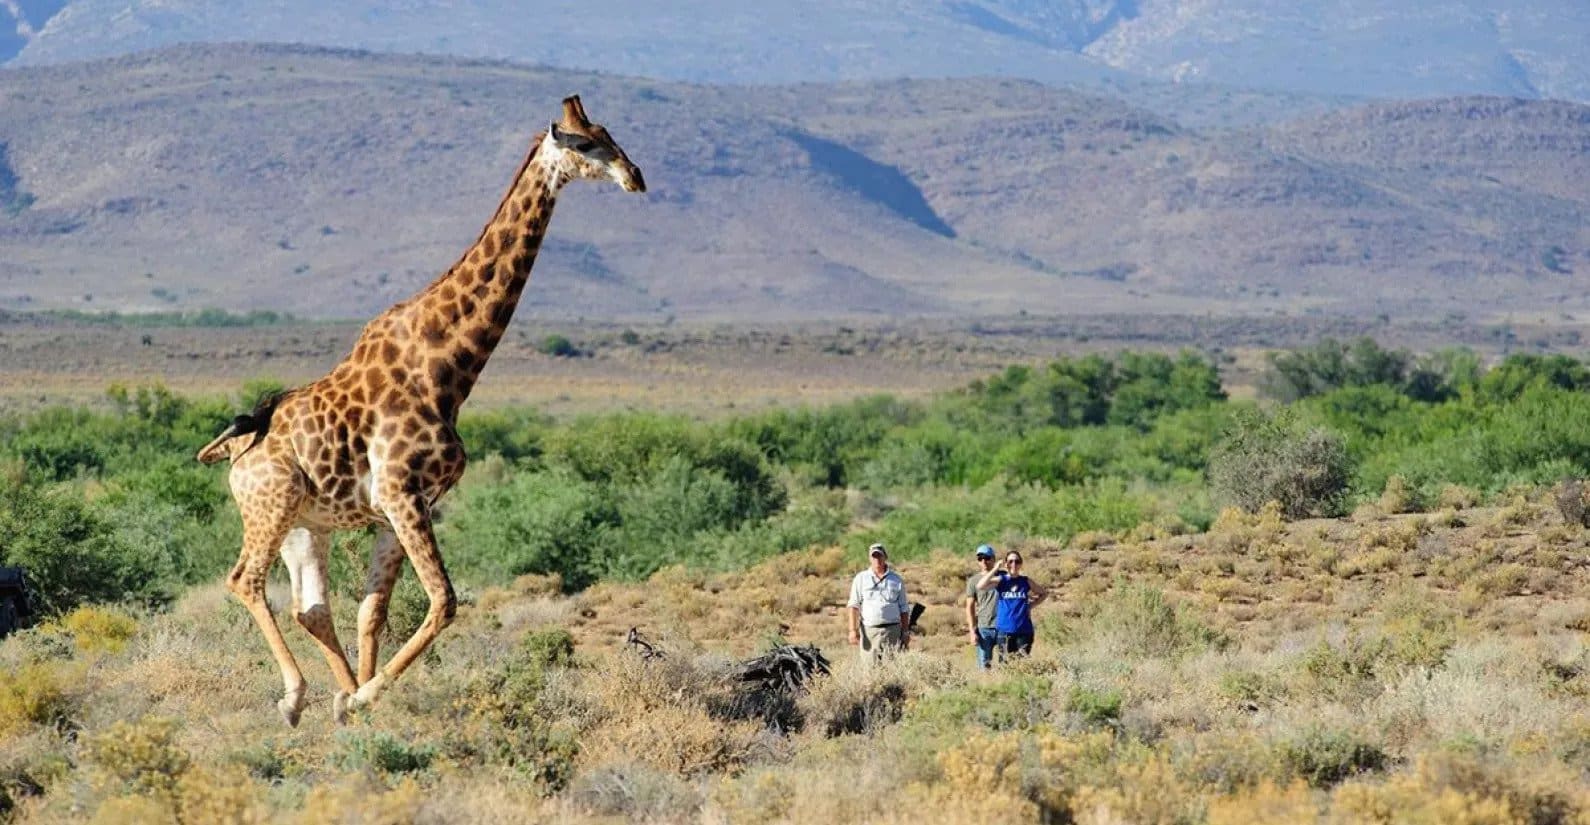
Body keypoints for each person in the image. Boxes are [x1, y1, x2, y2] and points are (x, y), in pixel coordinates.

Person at [976, 549, 1046, 659]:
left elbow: (1044, 594)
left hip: (1024, 630)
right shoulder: (1001, 580)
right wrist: (995, 568)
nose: (1014, 564)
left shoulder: (1026, 581)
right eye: (1010, 561)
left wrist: (1030, 606)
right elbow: (980, 586)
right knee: (1004, 663)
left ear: (1021, 564)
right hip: (1004, 631)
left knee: (1022, 663)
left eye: (1017, 561)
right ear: (1006, 564)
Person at [847, 543, 910, 661]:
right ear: (869, 559)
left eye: (880, 556)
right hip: (869, 632)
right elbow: (853, 606)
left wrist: (905, 632)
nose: (877, 560)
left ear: (885, 557)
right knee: (869, 667)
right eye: (874, 556)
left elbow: (904, 608)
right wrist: (852, 630)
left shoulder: (896, 579)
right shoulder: (861, 578)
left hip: (892, 631)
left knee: (892, 666)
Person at [965, 544, 1000, 669]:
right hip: (984, 628)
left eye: (987, 558)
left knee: (1008, 664)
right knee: (984, 666)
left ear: (993, 559)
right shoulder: (973, 581)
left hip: (1004, 626)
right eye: (980, 558)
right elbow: (969, 607)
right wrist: (972, 631)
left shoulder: (1003, 576)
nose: (984, 561)